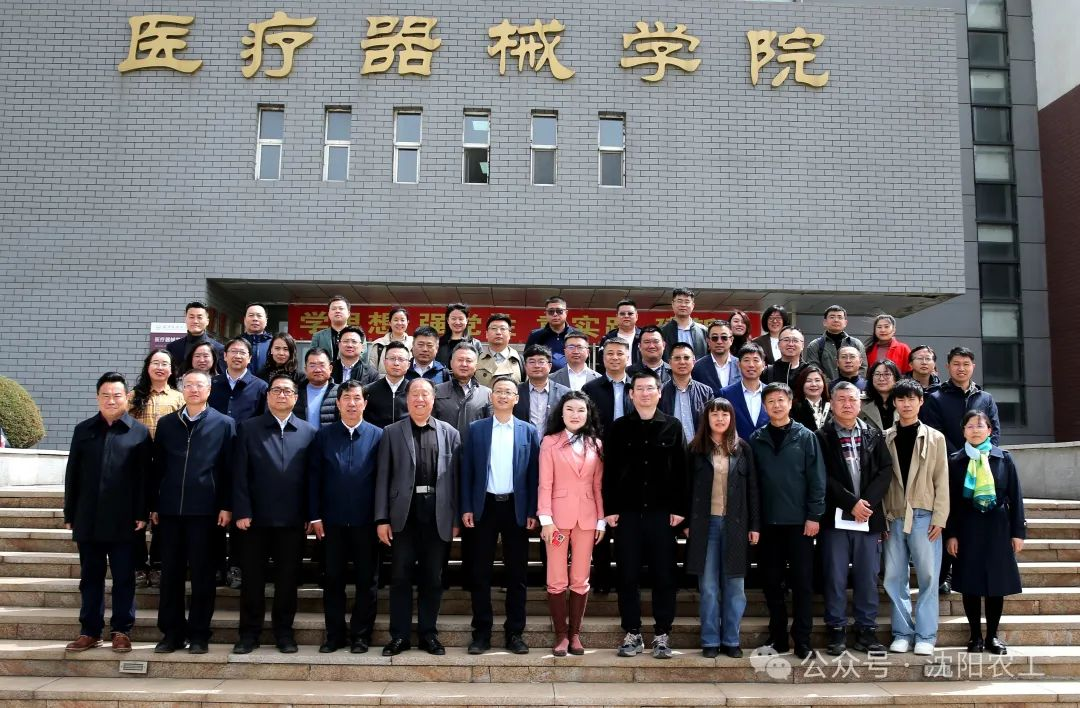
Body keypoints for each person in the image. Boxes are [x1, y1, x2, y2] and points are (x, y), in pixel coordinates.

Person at [63, 372, 151, 653]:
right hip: (88, 516)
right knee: (90, 577)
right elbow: (72, 474)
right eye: (106, 395)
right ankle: (90, 631)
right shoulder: (83, 430)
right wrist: (69, 512)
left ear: (127, 397)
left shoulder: (139, 433)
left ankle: (121, 630)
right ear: (97, 398)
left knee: (124, 577)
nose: (111, 400)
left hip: (125, 519)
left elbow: (144, 478)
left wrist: (142, 513)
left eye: (117, 395)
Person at [603, 370, 688, 660]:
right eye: (639, 389)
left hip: (662, 515)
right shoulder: (619, 428)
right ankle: (633, 632)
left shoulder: (673, 426)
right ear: (631, 394)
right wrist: (610, 509)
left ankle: (662, 633)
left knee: (664, 576)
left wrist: (680, 509)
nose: (645, 393)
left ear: (659, 393)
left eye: (650, 388)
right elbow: (609, 471)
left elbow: (682, 470)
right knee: (627, 576)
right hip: (627, 514)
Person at [151, 369, 236, 654]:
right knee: (170, 576)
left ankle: (199, 634)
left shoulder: (224, 424)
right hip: (170, 511)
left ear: (209, 390)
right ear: (182, 390)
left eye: (200, 385)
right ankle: (171, 634)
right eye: (188, 385)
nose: (194, 390)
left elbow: (229, 470)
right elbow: (158, 467)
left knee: (203, 576)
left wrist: (227, 505)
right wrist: (154, 504)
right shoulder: (167, 424)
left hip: (206, 512)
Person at [375, 378, 462, 656]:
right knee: (400, 577)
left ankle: (428, 634)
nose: (420, 399)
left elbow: (456, 480)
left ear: (433, 399)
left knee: (433, 578)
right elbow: (383, 477)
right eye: (415, 394)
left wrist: (456, 519)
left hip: (438, 513)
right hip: (403, 515)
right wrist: (381, 518)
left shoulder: (450, 433)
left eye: (425, 394)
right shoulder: (391, 432)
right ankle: (399, 636)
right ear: (407, 398)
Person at [232, 373, 317, 654]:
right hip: (254, 520)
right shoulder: (248, 428)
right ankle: (249, 634)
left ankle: (284, 633)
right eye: (276, 390)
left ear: (296, 397)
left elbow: (311, 479)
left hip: (292, 521)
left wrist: (310, 514)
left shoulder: (308, 432)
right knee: (252, 580)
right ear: (267, 396)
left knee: (287, 581)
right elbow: (239, 474)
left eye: (287, 391)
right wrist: (242, 510)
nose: (282, 395)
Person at [461, 377, 541, 655]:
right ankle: (481, 633)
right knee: (480, 572)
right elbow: (467, 471)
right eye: (499, 392)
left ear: (517, 398)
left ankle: (515, 632)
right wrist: (467, 506)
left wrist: (532, 510)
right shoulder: (477, 429)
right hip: (484, 506)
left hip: (516, 508)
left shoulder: (528, 431)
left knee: (517, 574)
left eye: (509, 392)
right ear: (491, 396)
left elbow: (534, 475)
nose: (503, 396)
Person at [749, 383, 826, 660]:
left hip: (800, 524)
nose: (776, 405)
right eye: (770, 401)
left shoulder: (806, 437)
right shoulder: (756, 439)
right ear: (764, 406)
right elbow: (752, 484)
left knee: (802, 584)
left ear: (791, 403)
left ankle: (802, 639)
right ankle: (778, 637)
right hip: (768, 525)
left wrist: (814, 516)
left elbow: (817, 480)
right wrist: (754, 523)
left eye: (781, 400)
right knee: (772, 583)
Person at [307, 380, 384, 654]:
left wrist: (381, 519)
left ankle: (361, 636)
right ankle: (334, 635)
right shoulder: (323, 436)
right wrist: (315, 515)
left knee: (367, 581)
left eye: (357, 398)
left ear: (365, 403)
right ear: (338, 404)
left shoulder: (378, 436)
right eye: (346, 398)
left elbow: (384, 481)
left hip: (367, 523)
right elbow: (314, 477)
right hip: (332, 522)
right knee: (333, 580)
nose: (352, 403)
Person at [816, 382, 891, 656]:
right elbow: (821, 475)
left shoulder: (873, 434)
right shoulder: (821, 436)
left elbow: (885, 470)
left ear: (860, 403)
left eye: (852, 399)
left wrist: (865, 504)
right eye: (841, 399)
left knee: (867, 576)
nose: (847, 404)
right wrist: (851, 503)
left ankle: (866, 630)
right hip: (834, 520)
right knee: (834, 576)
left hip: (867, 519)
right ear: (832, 404)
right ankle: (836, 629)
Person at [945, 410, 1026, 655]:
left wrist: (1018, 532)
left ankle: (992, 636)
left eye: (980, 426)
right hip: (967, 527)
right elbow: (950, 501)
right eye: (970, 426)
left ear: (989, 430)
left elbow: (1016, 496)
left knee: (996, 584)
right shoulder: (955, 461)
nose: (975, 430)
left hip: (998, 527)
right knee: (970, 582)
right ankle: (975, 636)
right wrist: (951, 534)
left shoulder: (1004, 459)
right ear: (963, 431)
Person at [684, 397, 760, 658]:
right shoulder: (695, 449)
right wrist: (686, 523)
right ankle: (710, 641)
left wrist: (755, 525)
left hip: (735, 524)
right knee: (708, 587)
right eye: (714, 414)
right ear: (706, 418)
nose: (719, 419)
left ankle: (731, 640)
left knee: (735, 586)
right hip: (705, 526)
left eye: (724, 414)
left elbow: (753, 490)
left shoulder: (743, 449)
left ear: (731, 418)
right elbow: (685, 489)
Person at [882, 379, 949, 656]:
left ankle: (926, 635)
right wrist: (881, 519)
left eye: (912, 399)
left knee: (929, 576)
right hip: (893, 515)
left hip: (925, 515)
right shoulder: (885, 437)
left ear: (921, 402)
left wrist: (940, 517)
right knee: (894, 576)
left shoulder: (935, 438)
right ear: (894, 403)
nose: (906, 404)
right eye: (901, 399)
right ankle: (901, 633)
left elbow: (942, 479)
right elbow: (880, 481)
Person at [538, 391, 606, 657]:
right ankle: (560, 635)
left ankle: (575, 634)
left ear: (588, 414)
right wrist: (546, 519)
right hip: (556, 521)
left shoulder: (596, 444)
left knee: (580, 578)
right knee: (556, 578)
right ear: (561, 413)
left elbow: (598, 486)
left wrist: (601, 520)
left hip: (587, 519)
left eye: (581, 410)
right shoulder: (549, 442)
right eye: (570, 409)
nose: (575, 415)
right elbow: (545, 483)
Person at [127, 349, 184, 588]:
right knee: (136, 514)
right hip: (136, 465)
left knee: (161, 515)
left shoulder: (179, 398)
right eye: (155, 363)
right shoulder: (133, 397)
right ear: (148, 367)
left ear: (172, 370)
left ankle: (159, 563)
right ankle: (138, 565)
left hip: (166, 466)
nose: (160, 367)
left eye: (165, 364)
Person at [922, 346, 1001, 455]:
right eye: (956, 364)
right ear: (948, 366)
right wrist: (959, 457)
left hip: (983, 459)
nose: (961, 368)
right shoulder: (935, 398)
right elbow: (935, 433)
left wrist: (985, 454)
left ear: (973, 367)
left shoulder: (986, 398)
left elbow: (994, 430)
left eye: (966, 364)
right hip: (949, 460)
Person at [433, 343, 493, 439]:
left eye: (468, 361)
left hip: (474, 447)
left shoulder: (486, 394)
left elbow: (490, 428)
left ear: (476, 366)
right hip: (445, 447)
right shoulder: (437, 391)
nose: (464, 364)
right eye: (460, 360)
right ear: (451, 363)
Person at [658, 342, 713, 442]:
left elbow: (711, 423)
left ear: (694, 361)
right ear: (670, 362)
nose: (682, 362)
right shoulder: (660, 392)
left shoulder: (706, 392)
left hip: (699, 448)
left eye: (686, 358)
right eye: (677, 358)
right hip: (669, 448)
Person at [209, 337, 268, 423]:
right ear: (225, 356)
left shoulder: (261, 387)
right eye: (233, 351)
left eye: (242, 352)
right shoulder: (211, 384)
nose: (237, 356)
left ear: (249, 358)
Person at [514, 345, 569, 431]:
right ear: (525, 366)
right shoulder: (515, 392)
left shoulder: (564, 393)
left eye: (541, 362)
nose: (536, 366)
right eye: (532, 362)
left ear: (550, 366)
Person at [720, 343, 769, 440]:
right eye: (746, 360)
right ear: (738, 364)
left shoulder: (771, 393)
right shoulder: (726, 394)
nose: (751, 365)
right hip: (736, 447)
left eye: (756, 360)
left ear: (763, 365)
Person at [582, 339, 632, 434]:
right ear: (603, 357)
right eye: (610, 353)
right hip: (599, 440)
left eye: (620, 354)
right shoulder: (589, 389)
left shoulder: (636, 387)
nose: (615, 357)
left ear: (627, 358)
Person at [805, 305, 867, 381]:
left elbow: (863, 368)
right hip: (825, 387)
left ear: (845, 322)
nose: (836, 320)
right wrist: (831, 385)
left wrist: (850, 385)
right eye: (832, 317)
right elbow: (813, 369)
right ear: (825, 322)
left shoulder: (856, 344)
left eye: (840, 317)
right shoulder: (815, 345)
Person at [166, 301, 225, 375]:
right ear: (185, 319)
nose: (195, 321)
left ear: (207, 321)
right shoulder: (173, 347)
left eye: (199, 317)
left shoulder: (219, 349)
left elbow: (222, 377)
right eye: (191, 317)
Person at [363, 341, 411, 428]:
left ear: (408, 365)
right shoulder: (369, 390)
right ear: (384, 362)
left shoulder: (413, 391)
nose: (396, 363)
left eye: (401, 359)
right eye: (392, 358)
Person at [525, 296, 583, 370]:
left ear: (566, 313)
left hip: (571, 376)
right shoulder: (535, 335)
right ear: (546, 313)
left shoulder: (577, 335)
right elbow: (527, 359)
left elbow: (583, 358)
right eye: (551, 311)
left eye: (559, 311)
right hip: (544, 377)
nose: (555, 314)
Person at [295, 348, 340, 430]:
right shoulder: (295, 392)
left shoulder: (340, 392)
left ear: (330, 369)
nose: (317, 370)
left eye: (322, 365)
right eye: (312, 365)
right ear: (305, 369)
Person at [693, 321, 740, 396]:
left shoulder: (741, 365)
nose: (719, 342)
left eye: (724, 338)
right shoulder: (698, 367)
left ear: (731, 340)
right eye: (714, 338)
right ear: (708, 341)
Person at [476, 313, 524, 387]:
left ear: (509, 335)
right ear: (486, 334)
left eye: (503, 329)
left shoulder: (520, 360)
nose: (498, 332)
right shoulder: (477, 359)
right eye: (494, 328)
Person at [660, 288, 708, 360]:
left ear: (693, 305)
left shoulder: (703, 331)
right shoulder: (662, 331)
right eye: (679, 301)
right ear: (673, 304)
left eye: (687, 302)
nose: (683, 305)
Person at [597, 298, 642, 372]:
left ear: (636, 316)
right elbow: (601, 363)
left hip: (640, 377)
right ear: (617, 317)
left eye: (630, 313)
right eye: (622, 314)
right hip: (614, 377)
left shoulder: (643, 337)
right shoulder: (608, 338)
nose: (626, 316)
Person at [368, 306, 414, 374]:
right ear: (390, 323)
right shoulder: (379, 344)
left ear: (407, 322)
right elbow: (371, 372)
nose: (399, 323)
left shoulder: (414, 344)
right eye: (396, 320)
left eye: (402, 320)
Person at [860, 360, 901, 431]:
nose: (881, 379)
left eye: (887, 374)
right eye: (877, 374)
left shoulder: (904, 402)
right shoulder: (860, 403)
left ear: (895, 377)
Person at [311, 295, 353, 362]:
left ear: (348, 313)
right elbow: (312, 358)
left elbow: (362, 359)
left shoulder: (358, 335)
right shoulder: (318, 336)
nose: (337, 311)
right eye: (333, 309)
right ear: (328, 314)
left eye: (341, 308)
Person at [791, 365, 832, 432]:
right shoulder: (793, 408)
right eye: (808, 381)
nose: (813, 384)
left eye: (817, 380)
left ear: (824, 383)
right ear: (802, 384)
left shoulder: (832, 406)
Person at [240, 302, 273, 376]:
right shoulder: (236, 343)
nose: (255, 319)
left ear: (266, 321)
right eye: (251, 315)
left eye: (259, 316)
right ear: (244, 320)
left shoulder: (274, 344)